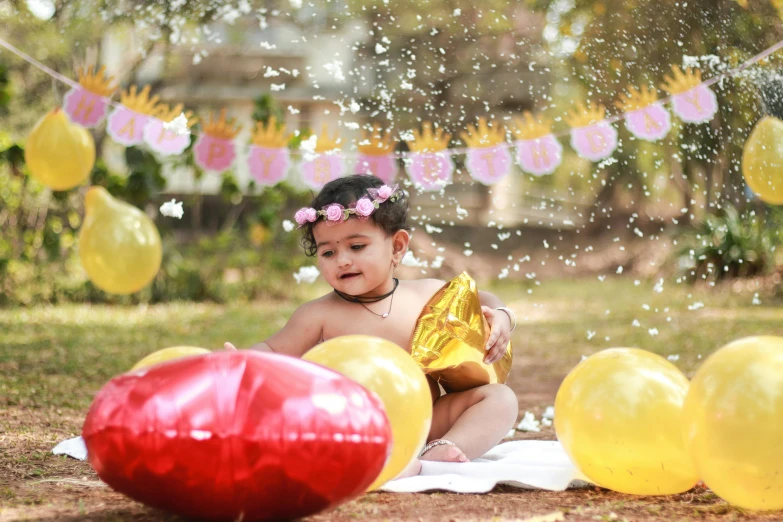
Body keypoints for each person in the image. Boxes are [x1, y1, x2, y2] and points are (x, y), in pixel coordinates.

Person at [225, 174, 518, 478]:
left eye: (357, 246)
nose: (342, 260)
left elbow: (480, 297)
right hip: (348, 427)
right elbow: (273, 350)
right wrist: (243, 363)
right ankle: (377, 458)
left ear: (397, 247)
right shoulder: (318, 314)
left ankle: (441, 451)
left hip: (423, 422)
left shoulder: (423, 294)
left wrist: (501, 315)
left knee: (500, 399)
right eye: (328, 252)